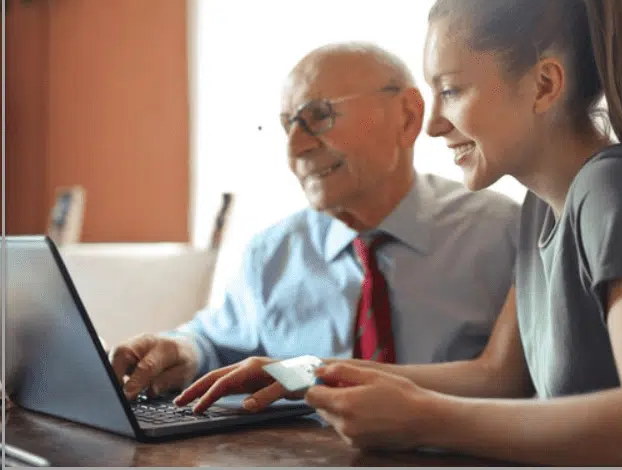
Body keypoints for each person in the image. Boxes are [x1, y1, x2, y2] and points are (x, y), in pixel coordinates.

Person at [174, 0, 622, 466]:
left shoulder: (617, 189)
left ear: (544, 85)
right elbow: (499, 376)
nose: (434, 124)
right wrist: (301, 373)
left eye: (451, 90)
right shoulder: (544, 206)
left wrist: (422, 420)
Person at [108, 42, 522, 405]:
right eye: (289, 124)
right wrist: (183, 351)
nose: (295, 148)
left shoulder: (503, 234)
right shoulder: (272, 252)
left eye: (317, 116)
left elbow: (522, 385)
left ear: (409, 116)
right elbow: (217, 342)